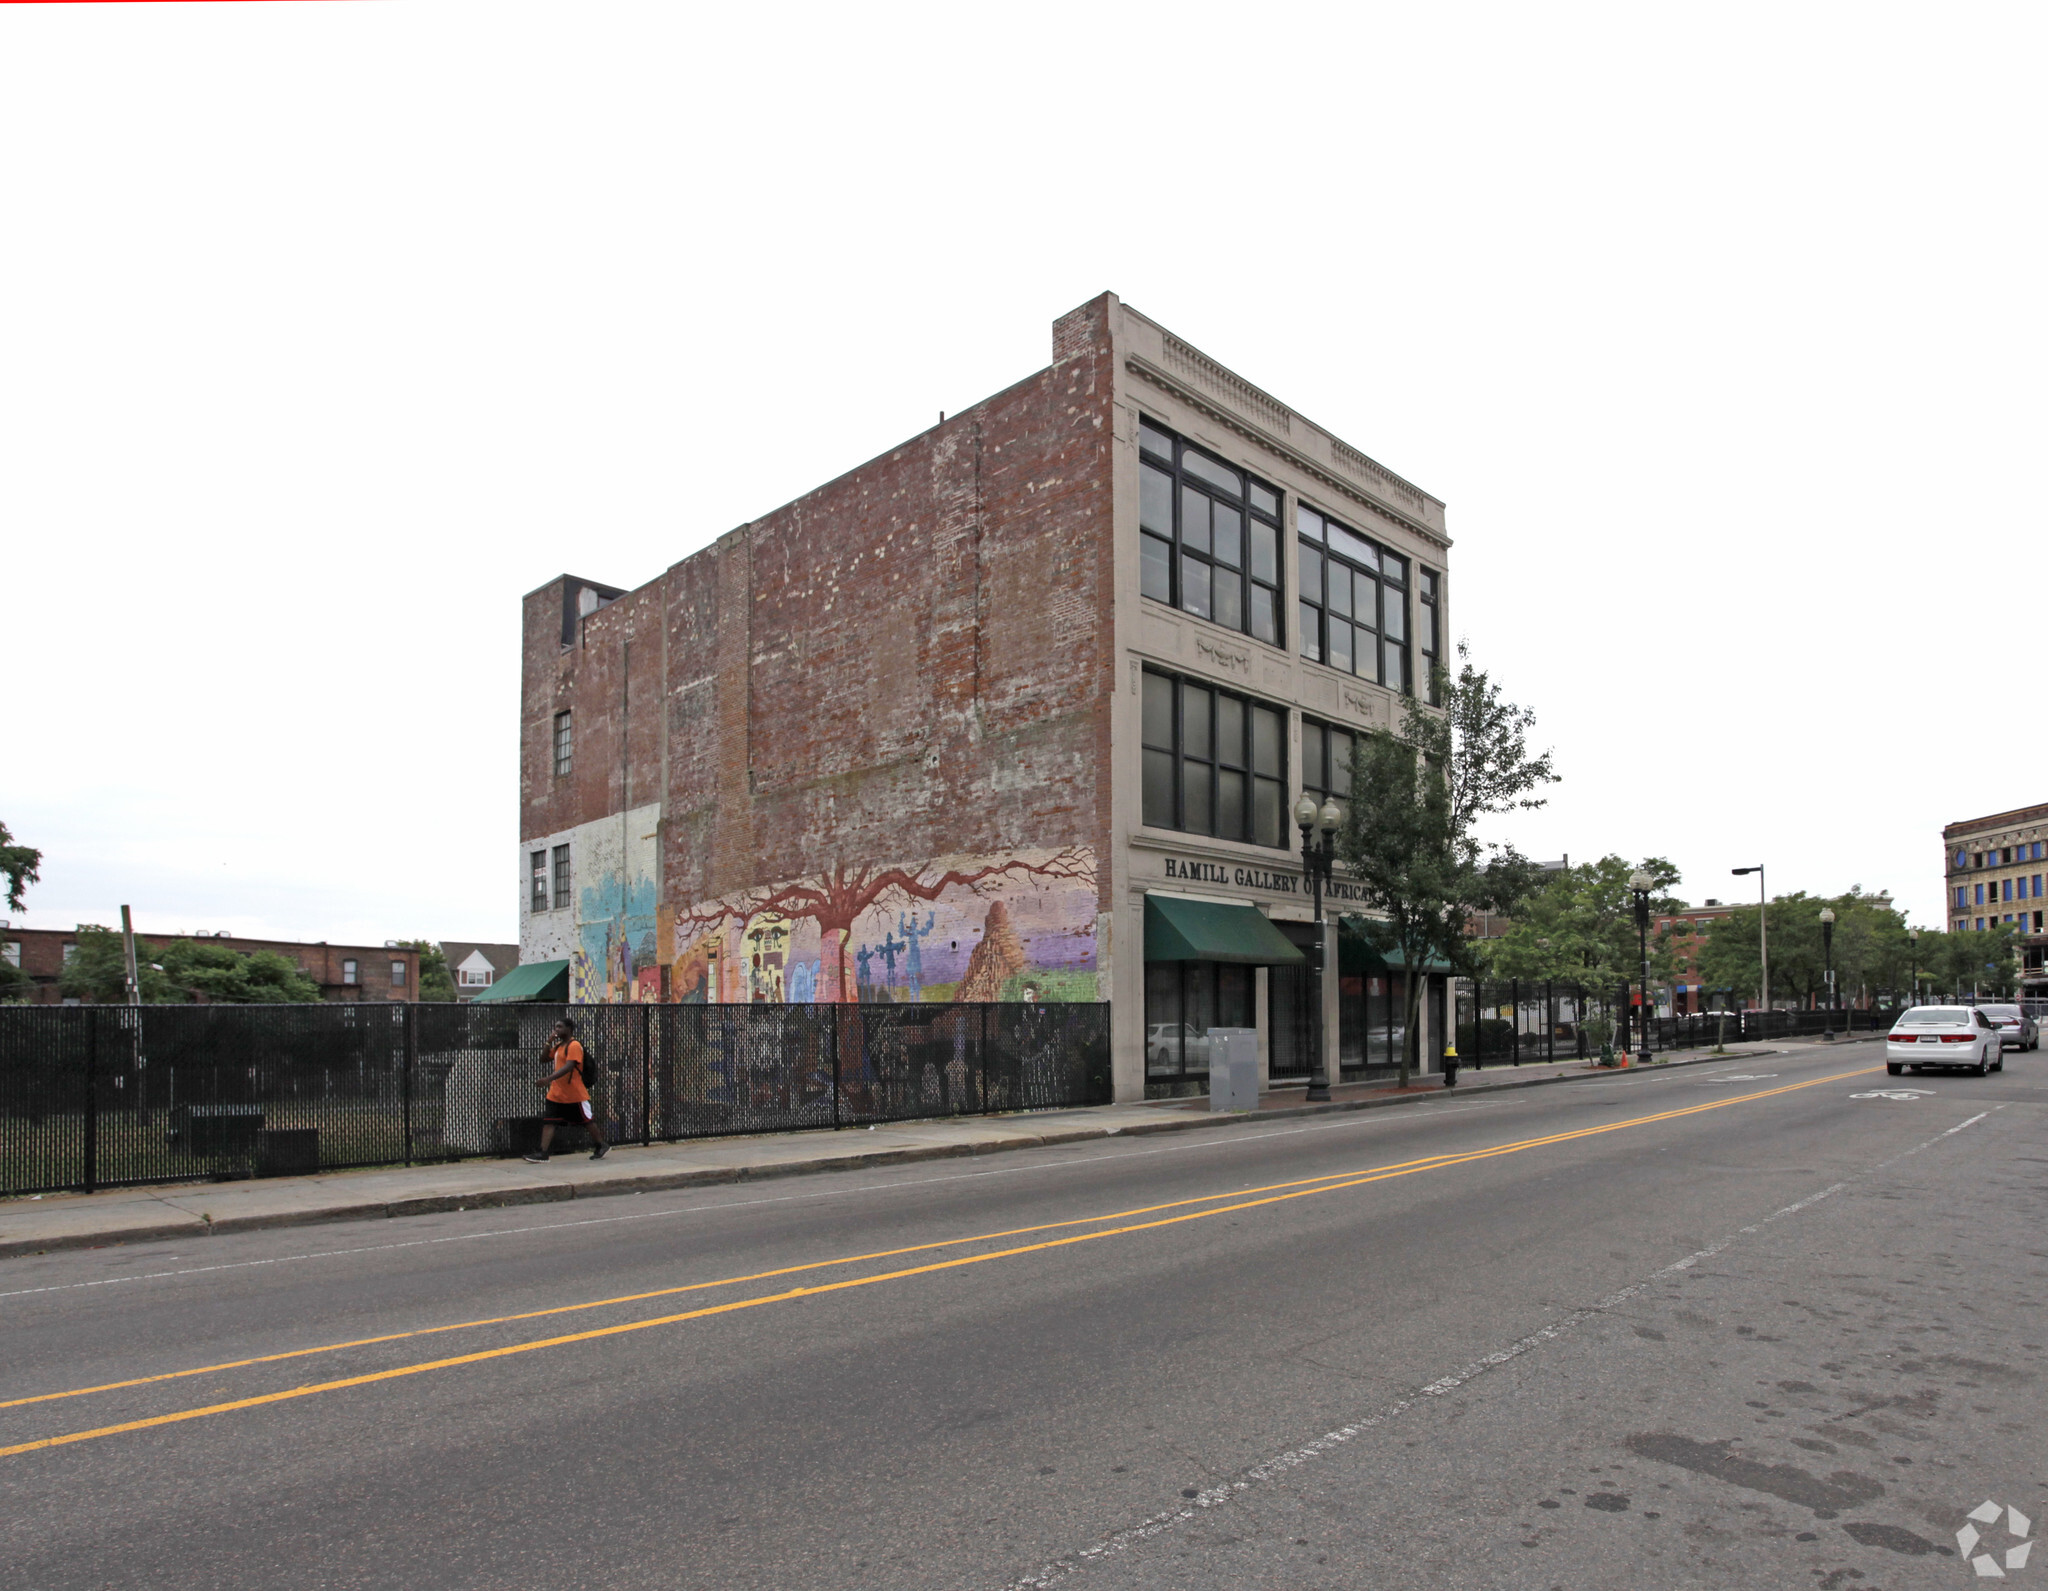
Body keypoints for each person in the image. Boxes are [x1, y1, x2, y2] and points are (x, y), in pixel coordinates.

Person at [525, 1017, 609, 1162]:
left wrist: (548, 1079)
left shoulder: (574, 1045)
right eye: (556, 1027)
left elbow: (569, 1066)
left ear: (568, 1029)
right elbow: (544, 1058)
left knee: (587, 1120)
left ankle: (601, 1145)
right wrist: (548, 1042)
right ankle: (542, 1153)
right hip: (556, 1093)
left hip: (574, 1093)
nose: (556, 1030)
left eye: (560, 1027)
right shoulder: (559, 1046)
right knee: (549, 1121)